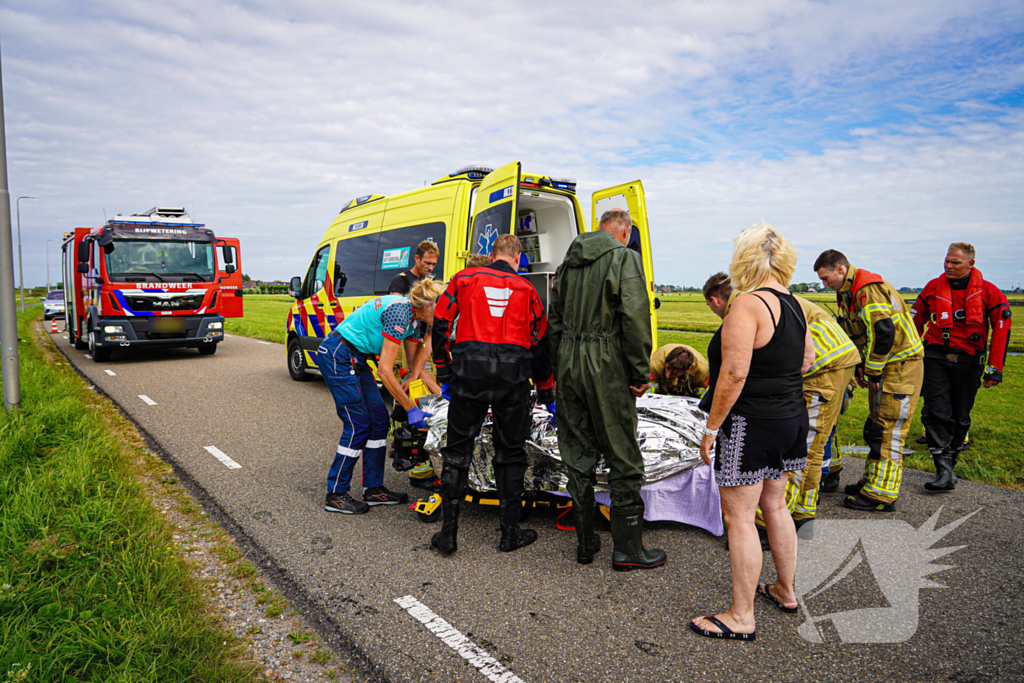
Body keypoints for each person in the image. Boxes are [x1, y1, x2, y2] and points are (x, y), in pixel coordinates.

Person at [690, 224, 814, 642]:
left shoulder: (746, 305)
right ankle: (785, 589)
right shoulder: (796, 303)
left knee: (739, 516)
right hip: (791, 418)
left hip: (751, 423)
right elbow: (806, 360)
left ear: (743, 259)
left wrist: (712, 428)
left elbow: (734, 373)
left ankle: (741, 615)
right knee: (776, 506)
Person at [548, 209, 665, 571]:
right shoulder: (624, 258)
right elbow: (634, 316)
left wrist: (560, 364)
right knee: (622, 452)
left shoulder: (569, 263)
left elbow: (555, 318)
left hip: (569, 361)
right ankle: (628, 549)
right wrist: (639, 371)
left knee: (576, 449)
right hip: (605, 364)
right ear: (626, 232)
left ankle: (585, 542)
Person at [704, 273, 859, 532]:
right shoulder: (772, 295)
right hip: (834, 357)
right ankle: (799, 511)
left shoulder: (744, 304)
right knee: (815, 438)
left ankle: (772, 522)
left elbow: (739, 370)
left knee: (808, 443)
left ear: (715, 300)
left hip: (823, 363)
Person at [430, 234, 555, 554]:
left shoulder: (464, 278)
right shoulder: (528, 290)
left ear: (491, 254)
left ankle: (448, 536)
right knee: (510, 455)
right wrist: (546, 392)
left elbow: (441, 324)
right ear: (518, 259)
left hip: (467, 376)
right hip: (513, 381)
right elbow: (541, 345)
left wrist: (444, 370)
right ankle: (509, 534)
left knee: (457, 454)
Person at [319, 278, 446, 515]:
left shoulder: (415, 319)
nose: (446, 313)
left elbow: (412, 360)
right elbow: (385, 371)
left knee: (379, 420)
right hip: (339, 354)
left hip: (357, 358)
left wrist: (415, 380)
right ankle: (335, 493)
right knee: (358, 424)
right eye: (442, 306)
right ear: (427, 306)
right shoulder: (399, 313)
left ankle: (373, 488)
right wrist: (410, 409)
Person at [815, 250, 924, 512]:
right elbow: (860, 332)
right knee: (875, 427)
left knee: (889, 428)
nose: (824, 284)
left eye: (826, 278)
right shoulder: (848, 291)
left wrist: (872, 370)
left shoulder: (868, 289)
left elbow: (883, 332)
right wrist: (863, 366)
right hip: (886, 364)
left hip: (900, 366)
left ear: (840, 269)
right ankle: (872, 482)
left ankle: (882, 496)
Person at [912, 243, 1011, 491]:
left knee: (960, 417)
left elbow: (1001, 330)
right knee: (935, 411)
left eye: (955, 262)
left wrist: (995, 367)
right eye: (947, 261)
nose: (948, 266)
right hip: (934, 356)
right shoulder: (933, 288)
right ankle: (942, 470)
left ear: (971, 264)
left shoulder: (990, 292)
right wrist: (909, 355)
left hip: (969, 361)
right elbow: (914, 321)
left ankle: (950, 466)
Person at [388, 239, 443, 491]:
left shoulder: (432, 288)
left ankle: (421, 461)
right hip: (402, 346)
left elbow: (429, 334)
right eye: (427, 263)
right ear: (417, 259)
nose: (430, 267)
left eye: (434, 263)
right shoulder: (400, 283)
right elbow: (398, 320)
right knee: (409, 396)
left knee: (424, 393)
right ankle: (413, 460)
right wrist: (415, 373)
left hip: (419, 345)